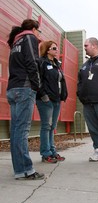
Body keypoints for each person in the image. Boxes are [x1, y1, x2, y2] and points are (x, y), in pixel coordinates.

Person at [6, 19, 45, 180]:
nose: (39, 34)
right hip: (24, 88)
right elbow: (32, 63)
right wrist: (37, 87)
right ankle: (27, 170)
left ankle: (20, 170)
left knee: (16, 131)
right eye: (39, 31)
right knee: (21, 131)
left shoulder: (16, 41)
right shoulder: (30, 38)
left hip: (13, 89)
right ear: (34, 29)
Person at [36, 41, 68, 163]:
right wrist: (44, 95)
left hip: (56, 99)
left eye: (57, 48)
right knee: (46, 126)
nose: (56, 50)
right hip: (45, 100)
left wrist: (62, 95)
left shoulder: (56, 64)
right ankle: (46, 154)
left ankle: (52, 152)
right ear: (47, 50)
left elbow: (61, 81)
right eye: (54, 48)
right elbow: (38, 80)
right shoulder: (41, 62)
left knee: (52, 127)